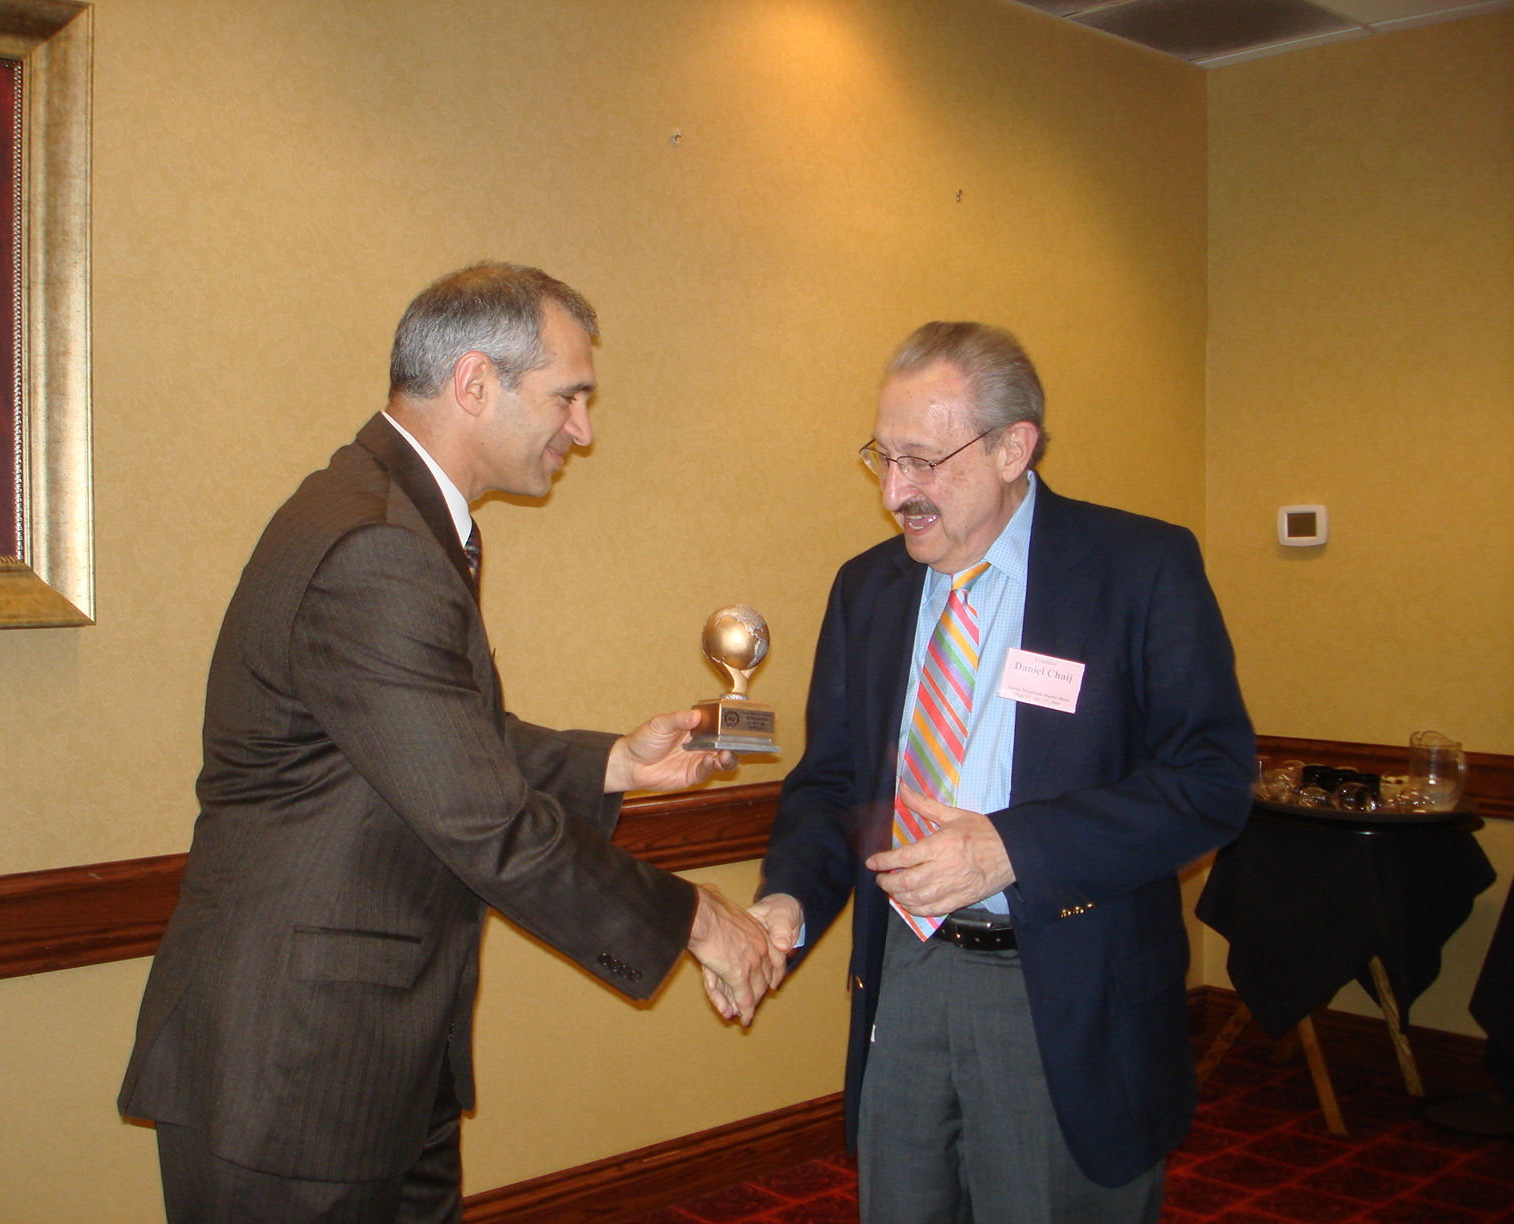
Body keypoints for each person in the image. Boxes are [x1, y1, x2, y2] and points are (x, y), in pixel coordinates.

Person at [118, 262, 780, 1224]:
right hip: (294, 1076)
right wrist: (698, 920)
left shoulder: (395, 516)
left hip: (377, 1056)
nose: (583, 431)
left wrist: (611, 763)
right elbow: (485, 823)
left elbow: (429, 739)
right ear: (475, 383)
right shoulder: (376, 545)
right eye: (568, 397)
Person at [750, 322, 1253, 1223]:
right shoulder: (867, 589)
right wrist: (786, 900)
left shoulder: (1138, 568)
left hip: (1063, 986)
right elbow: (832, 785)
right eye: (883, 458)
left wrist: (1011, 849)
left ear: (1014, 448)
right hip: (904, 972)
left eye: (923, 460)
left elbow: (1211, 780)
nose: (895, 491)